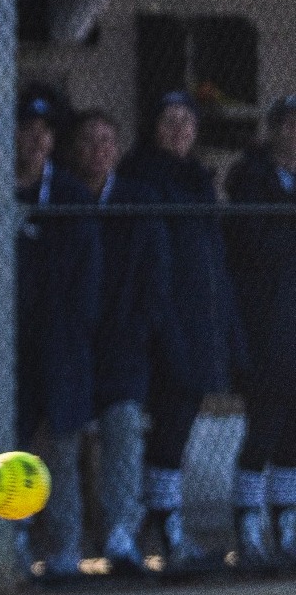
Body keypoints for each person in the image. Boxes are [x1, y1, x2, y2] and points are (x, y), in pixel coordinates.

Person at [118, 91, 237, 569]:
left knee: (177, 423)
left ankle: (166, 525)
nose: (180, 129)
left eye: (187, 121)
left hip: (196, 324)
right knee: (139, 426)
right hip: (149, 323)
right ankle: (131, 530)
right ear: (153, 126)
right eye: (169, 120)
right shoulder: (139, 173)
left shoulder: (200, 179)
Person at [70, 110, 172, 572]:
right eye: (90, 141)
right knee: (61, 439)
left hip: (122, 345)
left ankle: (120, 536)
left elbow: (156, 280)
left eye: (108, 141)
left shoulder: (138, 201)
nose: (99, 150)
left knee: (125, 425)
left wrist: (137, 331)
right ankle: (61, 546)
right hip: (70, 345)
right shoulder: (64, 199)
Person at [12, 89, 102, 577]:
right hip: (7, 347)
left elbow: (86, 276)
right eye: (27, 129)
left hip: (62, 346)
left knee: (62, 452)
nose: (36, 139)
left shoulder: (69, 193)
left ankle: (66, 550)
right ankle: (14, 542)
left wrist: (74, 331)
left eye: (45, 132)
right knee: (14, 453)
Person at [224, 94, 296, 564]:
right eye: (289, 124)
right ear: (275, 130)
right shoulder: (249, 176)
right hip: (267, 323)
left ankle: (287, 519)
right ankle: (248, 520)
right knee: (265, 423)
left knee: (293, 429)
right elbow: (256, 248)